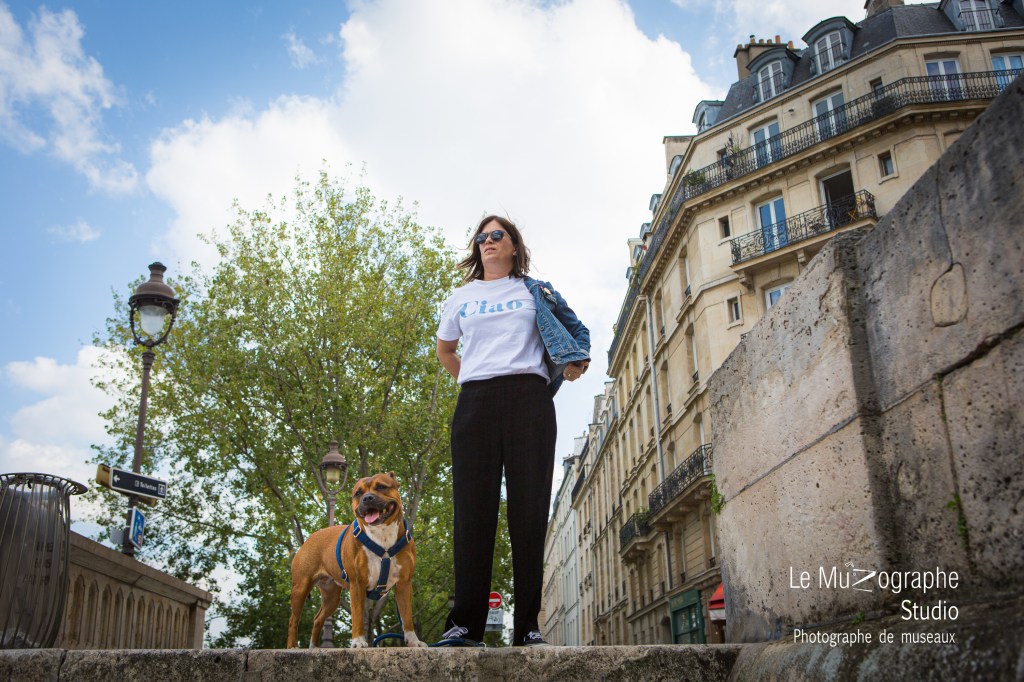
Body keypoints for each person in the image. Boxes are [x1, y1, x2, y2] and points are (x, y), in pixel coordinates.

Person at [435, 215, 591, 647]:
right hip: (476, 402)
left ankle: (528, 627)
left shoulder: (533, 291)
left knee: (528, 512)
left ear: (513, 246)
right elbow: (445, 350)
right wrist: (473, 377)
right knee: (472, 513)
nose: (487, 242)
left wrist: (575, 361)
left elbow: (577, 332)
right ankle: (464, 624)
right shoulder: (461, 297)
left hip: (529, 397)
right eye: (481, 237)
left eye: (496, 236)